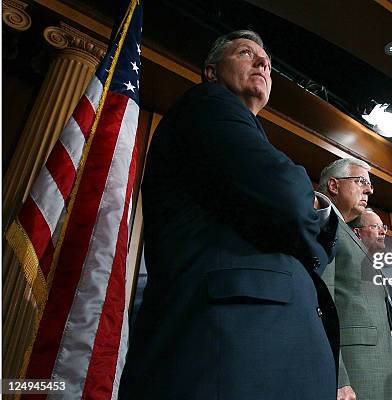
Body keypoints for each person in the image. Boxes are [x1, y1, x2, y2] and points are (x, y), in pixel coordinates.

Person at [119, 30, 339, 399]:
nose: (263, 63)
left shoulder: (243, 132)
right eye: (245, 53)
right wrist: (311, 199)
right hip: (231, 353)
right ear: (211, 71)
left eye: (266, 61)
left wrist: (305, 204)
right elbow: (287, 197)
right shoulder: (208, 105)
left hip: (258, 353)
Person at [319, 159, 392, 400]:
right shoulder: (326, 226)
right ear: (333, 185)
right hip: (355, 369)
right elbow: (321, 301)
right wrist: (338, 376)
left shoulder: (345, 233)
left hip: (380, 364)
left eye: (370, 184)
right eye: (361, 181)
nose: (369, 190)